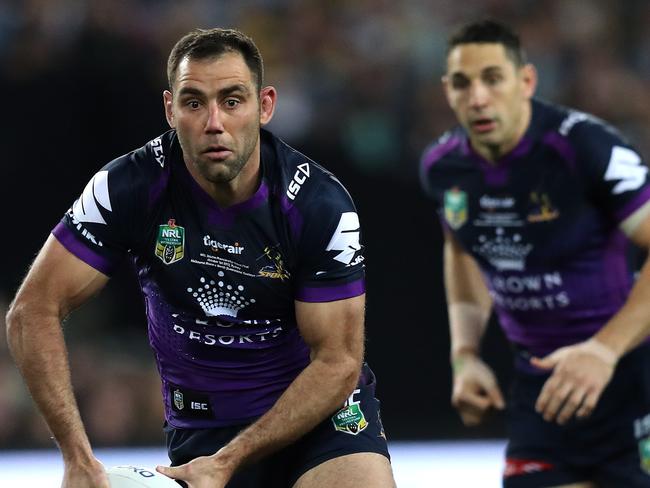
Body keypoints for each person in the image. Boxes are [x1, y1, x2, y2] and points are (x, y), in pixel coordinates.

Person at [6, 28, 396, 488]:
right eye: (194, 103)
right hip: (202, 430)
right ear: (170, 109)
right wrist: (77, 458)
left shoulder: (319, 204)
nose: (215, 122)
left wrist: (232, 460)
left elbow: (338, 363)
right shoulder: (128, 187)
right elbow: (31, 311)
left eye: (232, 101)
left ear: (265, 105)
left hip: (319, 421)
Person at [420, 19, 650, 488]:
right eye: (463, 83)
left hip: (631, 379)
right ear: (447, 91)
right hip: (541, 391)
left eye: (492, 78)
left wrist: (603, 351)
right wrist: (465, 355)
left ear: (526, 81)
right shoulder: (443, 168)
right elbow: (463, 252)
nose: (478, 97)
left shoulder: (584, 147)